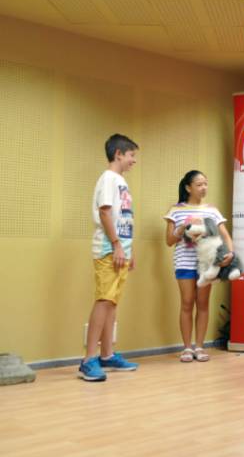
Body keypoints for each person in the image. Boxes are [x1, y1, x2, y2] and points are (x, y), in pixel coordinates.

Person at [79, 134, 140, 382]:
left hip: (119, 250)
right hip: (107, 249)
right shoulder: (108, 179)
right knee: (104, 300)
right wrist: (116, 245)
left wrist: (128, 250)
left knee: (112, 303)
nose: (134, 160)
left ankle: (107, 355)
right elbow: (105, 213)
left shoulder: (120, 181)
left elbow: (123, 217)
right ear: (118, 154)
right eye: (131, 155)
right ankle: (88, 359)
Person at [164, 170, 235, 362]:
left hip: (207, 263)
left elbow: (225, 236)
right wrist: (181, 229)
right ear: (188, 187)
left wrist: (230, 253)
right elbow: (169, 241)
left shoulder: (212, 210)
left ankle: (200, 347)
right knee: (187, 302)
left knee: (203, 304)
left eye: (205, 184)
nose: (204, 188)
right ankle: (187, 348)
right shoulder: (175, 210)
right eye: (199, 184)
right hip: (184, 262)